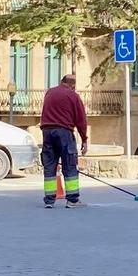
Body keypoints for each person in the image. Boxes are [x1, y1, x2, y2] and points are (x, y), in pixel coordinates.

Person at [39, 74, 89, 208]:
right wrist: (84, 139)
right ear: (73, 85)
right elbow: (81, 120)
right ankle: (72, 200)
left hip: (47, 132)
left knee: (49, 166)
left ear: (61, 81)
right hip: (64, 132)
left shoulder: (49, 93)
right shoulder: (73, 96)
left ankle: (49, 200)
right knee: (70, 164)